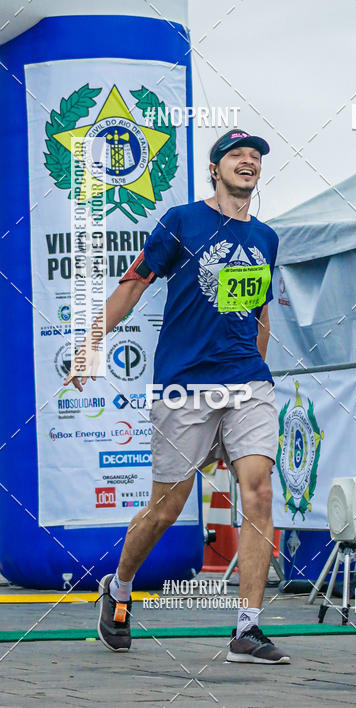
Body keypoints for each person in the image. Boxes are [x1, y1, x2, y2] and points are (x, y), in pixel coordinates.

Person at [66, 129, 290, 665]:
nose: (248, 162)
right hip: (184, 383)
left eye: (255, 157)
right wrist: (90, 344)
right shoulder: (183, 221)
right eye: (237, 155)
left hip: (247, 380)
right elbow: (134, 283)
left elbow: (259, 313)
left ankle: (247, 630)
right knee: (165, 510)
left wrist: (258, 367)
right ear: (214, 169)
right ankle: (117, 591)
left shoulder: (266, 237)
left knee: (258, 490)